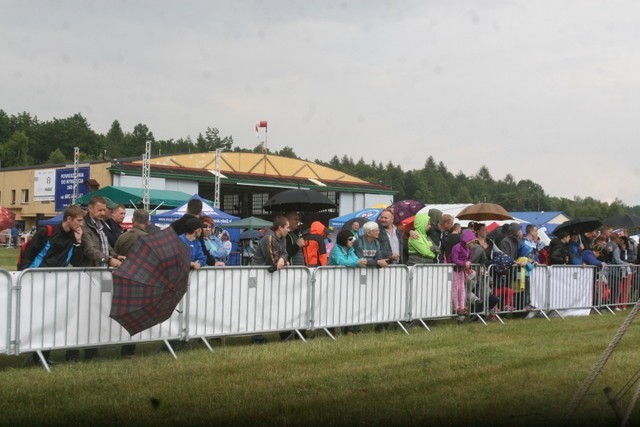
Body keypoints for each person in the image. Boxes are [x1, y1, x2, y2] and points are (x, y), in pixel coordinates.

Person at [22, 205, 85, 366]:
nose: (81, 224)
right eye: (79, 220)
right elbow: (29, 254)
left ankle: (43, 355)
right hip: (37, 279)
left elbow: (76, 262)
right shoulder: (47, 231)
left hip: (58, 282)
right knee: (38, 319)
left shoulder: (74, 236)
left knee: (51, 319)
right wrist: (23, 276)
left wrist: (78, 242)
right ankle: (35, 354)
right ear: (69, 219)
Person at [74, 196, 125, 362]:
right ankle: (74, 354)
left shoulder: (102, 225)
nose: (103, 213)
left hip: (102, 274)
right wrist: (109, 259)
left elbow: (106, 247)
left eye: (104, 210)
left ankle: (93, 351)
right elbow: (90, 250)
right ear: (90, 208)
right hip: (89, 274)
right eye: (100, 210)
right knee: (84, 315)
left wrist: (116, 255)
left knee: (98, 312)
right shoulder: (85, 225)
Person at [113, 209, 150, 358]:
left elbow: (115, 254)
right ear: (147, 222)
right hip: (140, 279)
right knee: (134, 317)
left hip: (123, 278)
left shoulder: (123, 237)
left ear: (133, 221)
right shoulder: (148, 239)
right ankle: (128, 349)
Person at [250, 216, 290, 344]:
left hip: (269, 275)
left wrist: (283, 259)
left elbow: (284, 253)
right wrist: (281, 261)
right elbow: (272, 261)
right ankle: (256, 336)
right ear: (280, 227)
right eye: (287, 227)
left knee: (270, 304)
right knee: (257, 305)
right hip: (257, 274)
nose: (289, 230)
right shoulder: (269, 238)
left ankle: (279, 329)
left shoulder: (283, 238)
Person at [449, 229, 478, 323]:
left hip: (461, 271)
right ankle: (456, 307)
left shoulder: (468, 249)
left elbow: (469, 257)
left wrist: (468, 262)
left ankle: (462, 307)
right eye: (472, 242)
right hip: (454, 271)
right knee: (455, 289)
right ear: (467, 241)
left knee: (462, 289)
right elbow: (454, 259)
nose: (472, 244)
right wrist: (464, 263)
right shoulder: (456, 247)